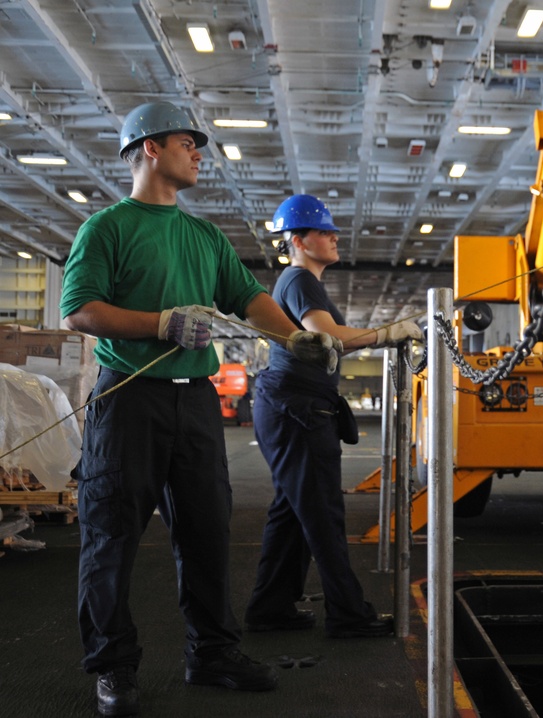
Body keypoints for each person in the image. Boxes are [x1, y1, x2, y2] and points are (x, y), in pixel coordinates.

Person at [60, 102, 340, 717]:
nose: (199, 154)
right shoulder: (107, 227)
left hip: (195, 404)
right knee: (111, 536)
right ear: (151, 148)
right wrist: (160, 322)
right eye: (189, 143)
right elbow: (80, 309)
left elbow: (246, 297)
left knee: (207, 532)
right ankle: (112, 666)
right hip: (128, 398)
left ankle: (212, 652)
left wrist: (293, 337)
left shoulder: (204, 235)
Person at [244, 194, 422, 640]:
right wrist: (387, 333)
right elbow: (325, 335)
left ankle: (271, 608)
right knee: (321, 513)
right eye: (324, 231)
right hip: (297, 409)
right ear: (298, 240)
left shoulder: (301, 280)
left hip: (291, 406)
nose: (334, 237)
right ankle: (348, 614)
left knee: (293, 514)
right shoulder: (301, 279)